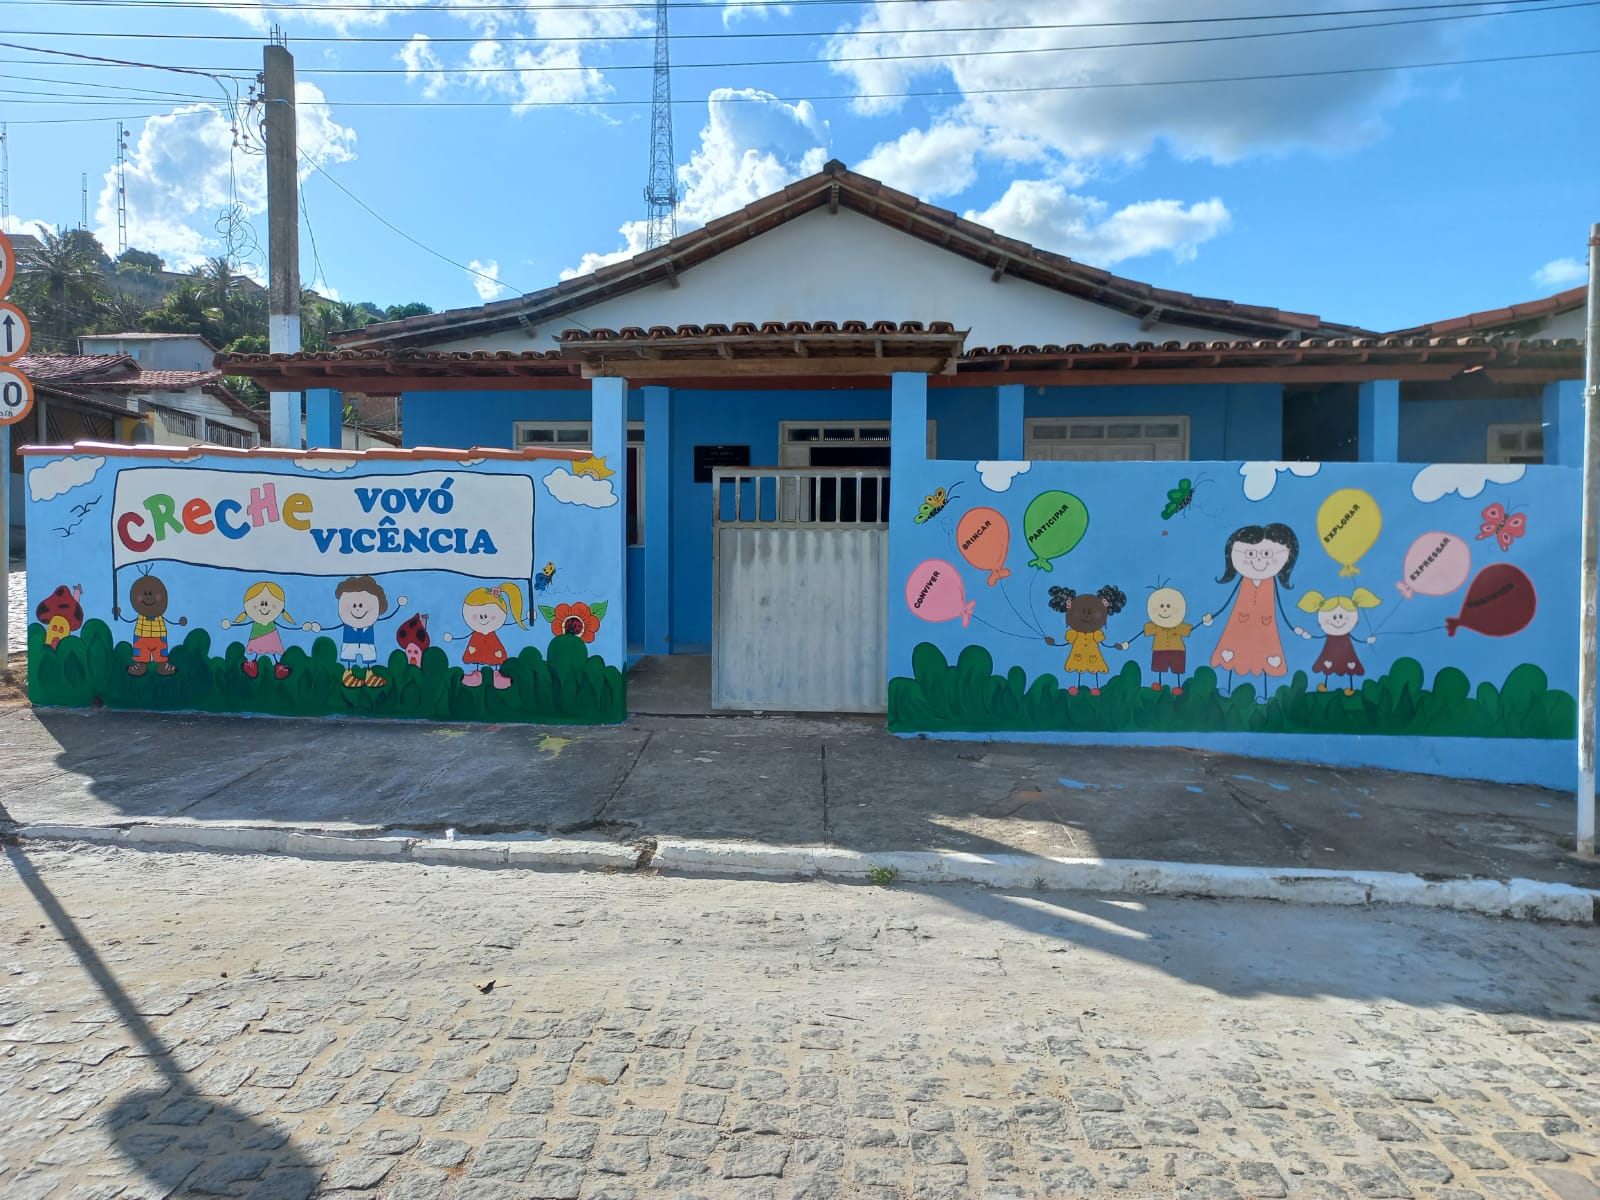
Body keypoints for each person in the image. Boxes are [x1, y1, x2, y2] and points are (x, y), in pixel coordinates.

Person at [1203, 523, 1300, 697]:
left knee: (1265, 656)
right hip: (1239, 623)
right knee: (1233, 652)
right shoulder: (1244, 581)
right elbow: (1229, 601)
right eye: (1249, 554)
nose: (1258, 561)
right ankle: (1229, 688)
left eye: (1267, 554)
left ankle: (1262, 694)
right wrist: (1213, 616)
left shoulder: (1271, 583)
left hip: (1265, 626)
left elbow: (1281, 608)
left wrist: (1294, 628)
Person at [1295, 587, 1381, 694]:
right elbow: (1318, 637)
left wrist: (1368, 640)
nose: (1338, 620)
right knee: (1327, 664)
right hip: (1330, 649)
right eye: (1334, 617)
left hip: (1347, 651)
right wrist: (1306, 634)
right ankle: (1325, 685)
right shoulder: (1329, 634)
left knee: (1350, 666)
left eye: (1341, 616)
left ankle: (1351, 688)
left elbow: (1357, 639)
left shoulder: (1346, 634)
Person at [1045, 584, 1127, 696]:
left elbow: (1103, 642)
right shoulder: (1074, 633)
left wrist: (1117, 646)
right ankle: (1077, 687)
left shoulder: (1096, 633)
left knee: (1095, 669)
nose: (1087, 617)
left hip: (1093, 654)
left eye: (1091, 613)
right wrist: (1053, 643)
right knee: (1079, 668)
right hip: (1078, 654)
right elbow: (1066, 642)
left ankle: (1096, 688)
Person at [443, 582, 527, 689]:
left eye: (489, 614)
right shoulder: (476, 632)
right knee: (477, 656)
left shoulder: (492, 631)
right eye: (477, 615)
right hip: (477, 639)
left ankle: (496, 674)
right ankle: (477, 674)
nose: (483, 618)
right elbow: (464, 636)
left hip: (492, 640)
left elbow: (511, 623)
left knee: (495, 656)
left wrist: (525, 618)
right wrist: (453, 637)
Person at [221, 580, 312, 679]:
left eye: (269, 604)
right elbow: (242, 623)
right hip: (257, 636)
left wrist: (302, 627)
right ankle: (253, 665)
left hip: (271, 634)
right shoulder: (255, 621)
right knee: (257, 650)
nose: (264, 607)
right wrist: (231, 624)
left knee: (273, 650)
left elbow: (288, 626)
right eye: (260, 603)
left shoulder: (272, 621)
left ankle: (278, 667)